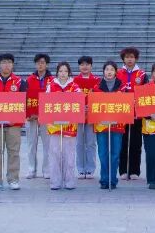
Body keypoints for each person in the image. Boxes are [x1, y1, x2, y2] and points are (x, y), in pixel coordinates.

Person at [0, 53, 27, 190]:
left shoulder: (20, 82)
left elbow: (24, 102)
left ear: (13, 64)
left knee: (13, 152)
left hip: (14, 124)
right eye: (3, 62)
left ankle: (13, 179)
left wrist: (18, 118)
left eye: (9, 62)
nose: (6, 65)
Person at [44, 62, 80, 190]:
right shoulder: (51, 86)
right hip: (54, 125)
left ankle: (69, 181)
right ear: (57, 73)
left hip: (70, 125)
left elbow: (79, 103)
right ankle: (55, 181)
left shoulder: (75, 87)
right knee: (54, 153)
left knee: (69, 154)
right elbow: (46, 103)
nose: (63, 74)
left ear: (69, 73)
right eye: (60, 71)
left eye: (65, 71)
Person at [94, 61, 125, 189]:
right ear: (103, 72)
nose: (109, 72)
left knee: (115, 153)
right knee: (103, 153)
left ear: (116, 72)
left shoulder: (122, 87)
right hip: (101, 125)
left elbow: (127, 105)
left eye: (112, 69)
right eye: (107, 69)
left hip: (117, 125)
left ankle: (112, 180)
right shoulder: (96, 87)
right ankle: (104, 179)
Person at [117, 47, 147, 180]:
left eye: (132, 57)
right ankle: (123, 170)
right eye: (127, 57)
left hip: (137, 113)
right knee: (122, 142)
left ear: (136, 59)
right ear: (123, 59)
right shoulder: (118, 73)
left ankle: (135, 170)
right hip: (122, 112)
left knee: (136, 142)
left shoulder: (142, 74)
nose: (129, 59)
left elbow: (145, 91)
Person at [24, 53, 52, 179]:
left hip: (46, 117)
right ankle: (32, 169)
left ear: (47, 64)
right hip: (31, 117)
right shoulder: (29, 80)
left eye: (43, 62)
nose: (40, 65)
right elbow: (24, 98)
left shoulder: (52, 80)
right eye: (38, 62)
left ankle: (47, 169)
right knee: (31, 144)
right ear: (35, 64)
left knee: (48, 144)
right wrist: (27, 114)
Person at [73, 55, 100, 179]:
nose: (85, 67)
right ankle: (80, 168)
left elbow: (100, 96)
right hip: (77, 115)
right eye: (82, 64)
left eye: (87, 64)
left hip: (92, 115)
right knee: (79, 143)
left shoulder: (97, 80)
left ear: (91, 66)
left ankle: (90, 169)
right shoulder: (74, 81)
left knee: (91, 143)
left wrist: (91, 107)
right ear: (79, 66)